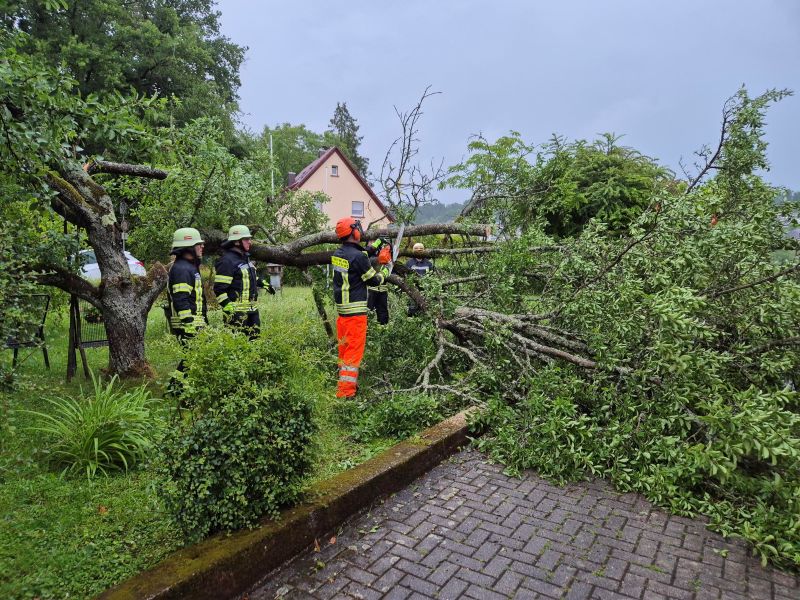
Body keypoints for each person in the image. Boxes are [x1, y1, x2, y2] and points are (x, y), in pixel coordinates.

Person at [331, 218, 391, 398]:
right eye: (358, 229)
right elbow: (374, 280)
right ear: (353, 232)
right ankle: (346, 393)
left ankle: (344, 385)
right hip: (356, 314)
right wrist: (386, 269)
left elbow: (359, 256)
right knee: (353, 354)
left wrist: (378, 244)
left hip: (343, 313)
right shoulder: (358, 257)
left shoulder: (338, 253)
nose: (360, 232)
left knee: (344, 351)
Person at [213, 224, 273, 339]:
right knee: (238, 347)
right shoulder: (227, 261)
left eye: (249, 239)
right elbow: (219, 289)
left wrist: (262, 283)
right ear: (236, 242)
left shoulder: (244, 257)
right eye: (246, 239)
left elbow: (247, 278)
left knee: (255, 343)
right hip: (236, 313)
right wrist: (228, 307)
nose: (250, 242)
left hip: (252, 310)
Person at [165, 227, 207, 392]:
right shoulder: (182, 269)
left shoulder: (189, 267)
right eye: (198, 244)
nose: (202, 247)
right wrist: (188, 323)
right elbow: (181, 299)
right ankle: (176, 390)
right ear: (188, 247)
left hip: (194, 321)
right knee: (191, 358)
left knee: (192, 357)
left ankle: (180, 389)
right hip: (187, 323)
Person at [367, 240, 392, 326]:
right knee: (368, 312)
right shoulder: (368, 257)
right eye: (371, 242)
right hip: (370, 291)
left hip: (382, 291)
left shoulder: (384, 256)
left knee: (383, 314)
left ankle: (383, 331)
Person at [405, 242, 434, 316]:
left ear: (424, 250)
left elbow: (432, 277)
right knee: (412, 309)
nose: (419, 250)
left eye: (421, 248)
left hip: (426, 291)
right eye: (416, 248)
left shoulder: (429, 264)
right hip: (413, 291)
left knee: (426, 310)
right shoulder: (409, 263)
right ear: (413, 250)